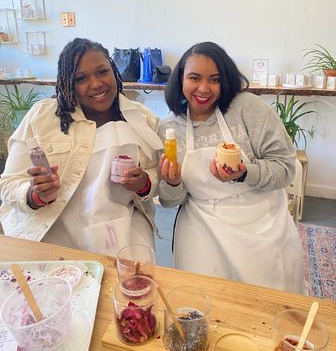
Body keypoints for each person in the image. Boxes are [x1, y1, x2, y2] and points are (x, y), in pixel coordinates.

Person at [158, 41, 305, 293]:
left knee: (267, 307)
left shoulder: (247, 108)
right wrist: (172, 184)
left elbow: (285, 168)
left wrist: (244, 172)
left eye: (214, 79)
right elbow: (173, 201)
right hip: (201, 230)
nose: (204, 88)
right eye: (194, 77)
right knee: (204, 305)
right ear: (180, 79)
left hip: (262, 229)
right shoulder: (170, 128)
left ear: (224, 80)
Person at [0, 38, 163, 255]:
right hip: (57, 235)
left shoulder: (143, 119)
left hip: (123, 232)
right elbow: (8, 183)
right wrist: (33, 195)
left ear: (114, 71)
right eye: (81, 78)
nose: (96, 84)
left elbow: (156, 173)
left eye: (102, 71)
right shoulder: (43, 117)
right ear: (68, 82)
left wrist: (144, 183)